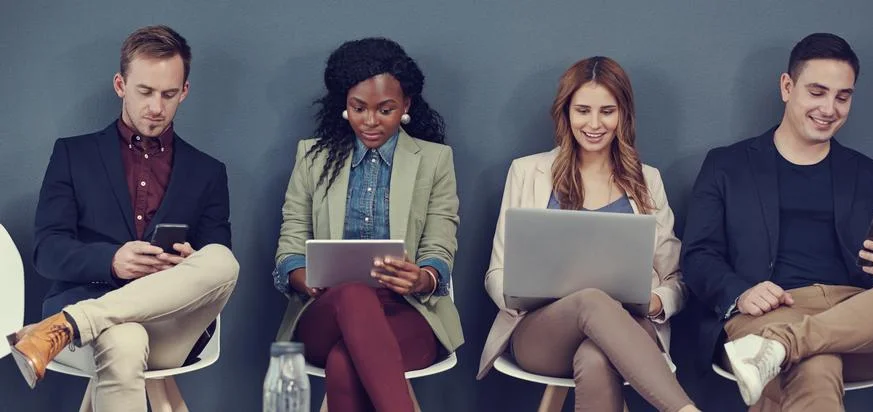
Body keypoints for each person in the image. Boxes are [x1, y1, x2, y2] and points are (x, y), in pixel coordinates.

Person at [681, 32, 873, 411]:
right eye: (817, 92)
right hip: (768, 313)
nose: (830, 108)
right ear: (786, 86)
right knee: (816, 362)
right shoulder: (728, 165)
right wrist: (740, 291)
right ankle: (786, 345)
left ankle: (783, 346)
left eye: (843, 97)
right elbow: (698, 255)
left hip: (857, 318)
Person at [7, 25, 239, 412]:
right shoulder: (72, 155)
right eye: (145, 92)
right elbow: (47, 252)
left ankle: (68, 324)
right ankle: (83, 321)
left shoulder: (208, 172)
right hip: (97, 313)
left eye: (168, 94)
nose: (156, 107)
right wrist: (112, 261)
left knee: (222, 260)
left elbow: (216, 268)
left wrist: (185, 264)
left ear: (184, 91)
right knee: (125, 340)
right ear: (120, 85)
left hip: (172, 325)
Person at [478, 57, 699, 412]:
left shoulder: (648, 180)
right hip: (542, 332)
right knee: (591, 299)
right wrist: (518, 293)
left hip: (630, 328)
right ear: (565, 113)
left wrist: (656, 302)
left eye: (607, 111)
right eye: (582, 110)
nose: (594, 124)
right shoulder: (526, 172)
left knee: (597, 356)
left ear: (623, 114)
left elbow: (675, 279)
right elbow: (496, 274)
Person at [272, 37, 464, 412]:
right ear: (344, 104)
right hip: (326, 312)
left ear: (406, 105)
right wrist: (302, 277)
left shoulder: (435, 161)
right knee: (353, 294)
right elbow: (290, 246)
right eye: (359, 108)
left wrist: (422, 277)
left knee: (344, 364)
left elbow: (440, 246)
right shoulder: (312, 158)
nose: (370, 121)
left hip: (407, 312)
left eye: (385, 109)